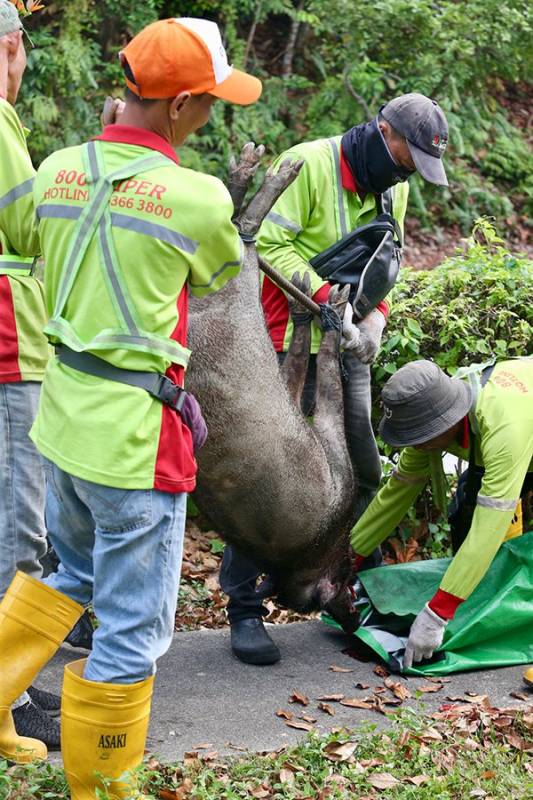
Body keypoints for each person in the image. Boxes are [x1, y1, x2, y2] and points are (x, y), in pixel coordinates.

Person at [0, 15, 261, 794]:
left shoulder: (55, 170)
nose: (214, 115)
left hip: (63, 421)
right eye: (210, 101)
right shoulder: (197, 197)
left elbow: (37, 249)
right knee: (134, 630)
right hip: (136, 441)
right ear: (179, 105)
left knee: (66, 573)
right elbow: (217, 278)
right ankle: (104, 786)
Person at [221, 93, 450, 666]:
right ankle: (244, 607)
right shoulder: (310, 164)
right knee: (267, 479)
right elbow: (262, 245)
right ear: (383, 131)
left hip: (341, 342)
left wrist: (373, 319)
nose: (408, 172)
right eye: (408, 157)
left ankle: (347, 590)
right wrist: (327, 301)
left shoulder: (392, 186)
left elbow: (385, 262)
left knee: (361, 468)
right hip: (279, 337)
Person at [349, 358, 532, 670]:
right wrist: (347, 559)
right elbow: (396, 494)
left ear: (444, 423)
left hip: (520, 431)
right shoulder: (435, 423)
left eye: (417, 437)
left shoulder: (503, 428)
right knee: (467, 516)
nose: (414, 446)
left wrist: (437, 613)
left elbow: (489, 527)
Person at [0, 0, 64, 753]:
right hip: (11, 342)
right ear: (12, 48)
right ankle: (8, 703)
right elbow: (30, 223)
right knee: (19, 527)